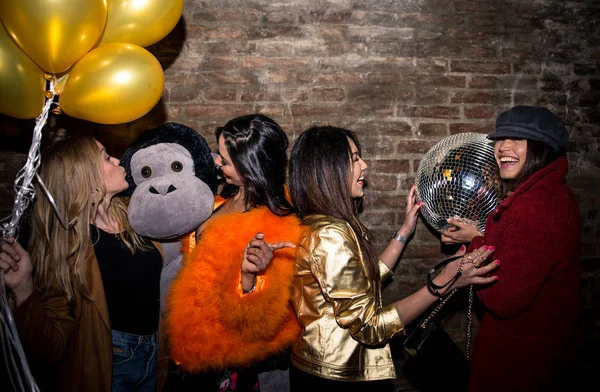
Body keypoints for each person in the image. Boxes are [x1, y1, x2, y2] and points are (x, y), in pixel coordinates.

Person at [287, 126, 500, 391]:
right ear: (329, 169)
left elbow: (363, 279)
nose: (364, 165)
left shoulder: (323, 223)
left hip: (320, 370)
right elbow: (370, 326)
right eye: (354, 159)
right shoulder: (331, 235)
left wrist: (404, 231)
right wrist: (444, 282)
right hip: (337, 378)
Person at [0, 135, 165, 392]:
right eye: (106, 157)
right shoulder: (68, 249)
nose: (118, 160)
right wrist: (23, 288)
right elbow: (49, 349)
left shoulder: (134, 214)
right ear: (85, 176)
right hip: (110, 363)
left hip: (154, 352)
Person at [439, 106, 582, 391]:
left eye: (518, 138)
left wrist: (475, 243)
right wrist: (475, 237)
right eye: (501, 138)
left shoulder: (537, 205)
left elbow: (504, 299)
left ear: (543, 148)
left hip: (520, 361)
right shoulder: (542, 193)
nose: (503, 146)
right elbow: (518, 252)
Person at [163, 114, 302, 392]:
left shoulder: (274, 224)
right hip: (194, 347)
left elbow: (262, 322)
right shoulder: (222, 199)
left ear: (249, 166)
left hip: (228, 358)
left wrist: (249, 277)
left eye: (225, 160)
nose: (217, 162)